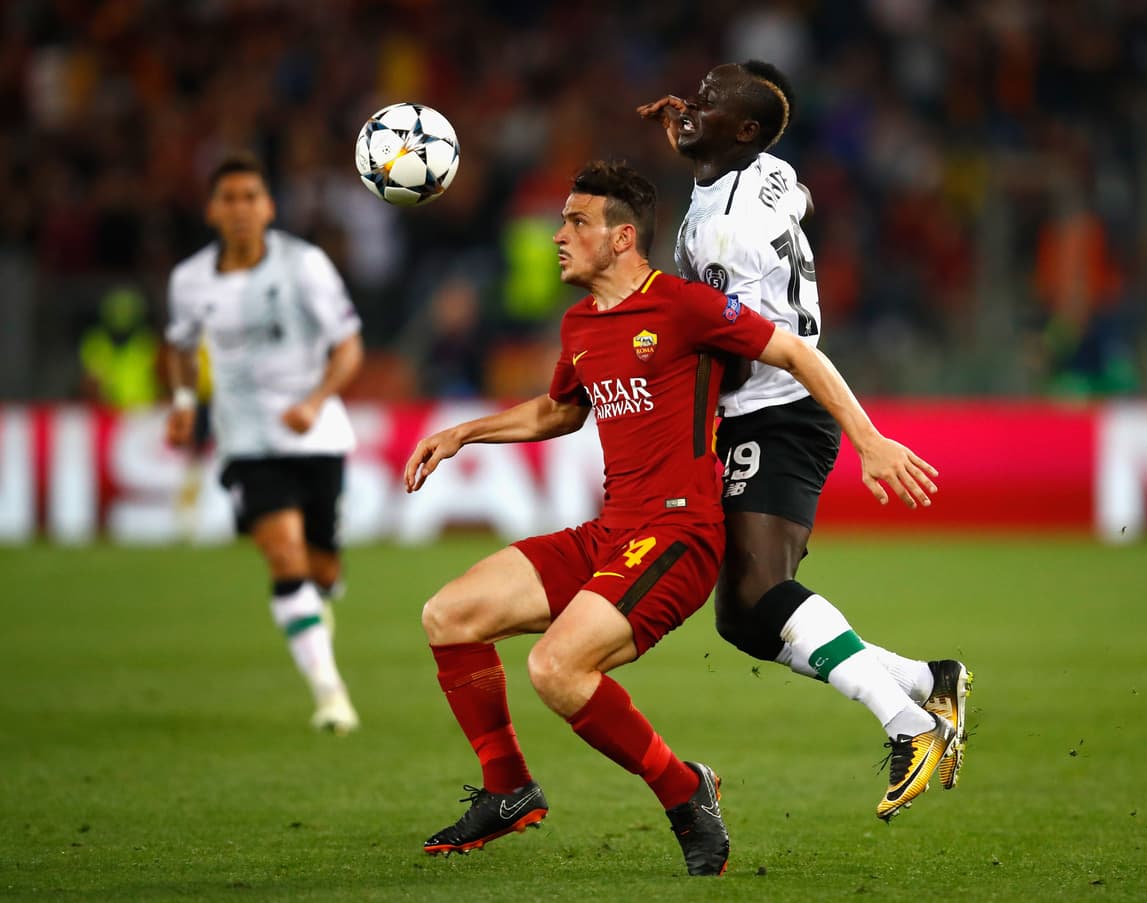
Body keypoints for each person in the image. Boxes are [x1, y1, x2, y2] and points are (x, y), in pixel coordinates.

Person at [402, 161, 946, 875]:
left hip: (678, 533)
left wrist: (868, 439)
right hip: (610, 532)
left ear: (623, 237)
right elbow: (561, 409)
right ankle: (508, 787)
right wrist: (464, 431)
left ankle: (686, 791)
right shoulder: (580, 323)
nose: (558, 235)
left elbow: (793, 352)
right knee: (449, 614)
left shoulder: (684, 306)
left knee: (556, 668)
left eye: (576, 222)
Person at [638, 61, 971, 820]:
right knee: (742, 618)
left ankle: (911, 723)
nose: (692, 103)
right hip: (771, 410)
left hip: (779, 408)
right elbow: (792, 191)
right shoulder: (770, 173)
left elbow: (765, 348)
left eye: (711, 102)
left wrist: (868, 437)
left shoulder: (726, 230)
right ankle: (928, 679)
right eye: (698, 92)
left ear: (746, 132)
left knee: (759, 594)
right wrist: (695, 142)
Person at [164, 153, 363, 734]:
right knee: (283, 554)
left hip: (316, 434)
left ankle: (318, 597)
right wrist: (182, 405)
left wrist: (316, 399)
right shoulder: (189, 280)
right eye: (229, 198)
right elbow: (179, 345)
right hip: (246, 439)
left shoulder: (305, 266)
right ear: (212, 210)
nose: (241, 209)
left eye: (251, 197)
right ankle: (330, 694)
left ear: (269, 206)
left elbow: (349, 345)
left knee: (322, 569)